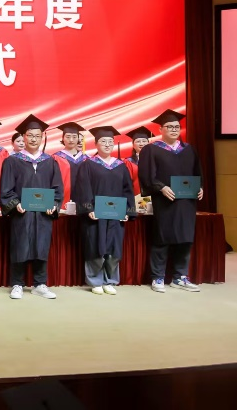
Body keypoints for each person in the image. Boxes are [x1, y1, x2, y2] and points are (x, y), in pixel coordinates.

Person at [137, 109, 204, 293]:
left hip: (187, 201)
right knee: (163, 238)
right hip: (165, 200)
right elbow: (146, 175)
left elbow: (197, 173)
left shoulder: (189, 149)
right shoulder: (151, 150)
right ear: (161, 129)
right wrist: (161, 188)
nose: (174, 129)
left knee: (185, 238)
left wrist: (200, 188)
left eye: (177, 127)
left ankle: (180, 277)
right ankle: (157, 277)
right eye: (170, 127)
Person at [0, 114, 64, 300]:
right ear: (23, 137)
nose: (34, 139)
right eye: (30, 135)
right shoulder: (12, 161)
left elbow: (57, 189)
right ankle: (17, 284)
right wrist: (15, 204)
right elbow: (6, 189)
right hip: (22, 213)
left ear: (42, 137)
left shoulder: (50, 162)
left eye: (37, 136)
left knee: (41, 246)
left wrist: (54, 205)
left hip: (43, 214)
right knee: (20, 246)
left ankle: (39, 284)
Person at [74, 126, 136, 296]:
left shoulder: (120, 166)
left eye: (110, 141)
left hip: (116, 214)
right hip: (96, 215)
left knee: (114, 248)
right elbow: (83, 188)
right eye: (103, 141)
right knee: (96, 247)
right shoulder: (88, 165)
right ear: (96, 144)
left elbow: (128, 190)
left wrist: (127, 211)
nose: (107, 144)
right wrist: (89, 208)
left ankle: (110, 280)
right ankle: (95, 280)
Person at [52, 122, 88, 204]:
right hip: (62, 200)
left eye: (74, 137)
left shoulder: (87, 159)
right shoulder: (55, 158)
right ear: (63, 138)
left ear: (78, 138)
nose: (71, 140)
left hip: (83, 202)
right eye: (68, 137)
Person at [124, 126, 152, 196]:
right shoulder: (129, 162)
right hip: (136, 196)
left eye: (144, 141)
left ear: (148, 143)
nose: (141, 144)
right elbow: (127, 182)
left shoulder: (154, 159)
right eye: (138, 141)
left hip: (155, 195)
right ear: (133, 145)